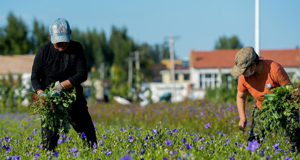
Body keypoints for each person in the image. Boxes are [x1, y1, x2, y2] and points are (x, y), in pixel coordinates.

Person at [31, 18, 97, 151]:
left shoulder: (77, 48)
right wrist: (42, 94)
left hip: (73, 99)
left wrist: (61, 86)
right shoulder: (44, 51)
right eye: (57, 43)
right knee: (48, 144)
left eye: (64, 42)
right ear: (50, 37)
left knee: (90, 141)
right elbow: (35, 78)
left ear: (70, 34)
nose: (61, 46)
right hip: (51, 103)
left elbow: (82, 74)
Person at [231, 46, 300, 150]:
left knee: (294, 140)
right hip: (262, 109)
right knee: (254, 141)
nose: (243, 74)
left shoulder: (274, 69)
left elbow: (290, 91)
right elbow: (241, 96)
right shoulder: (243, 78)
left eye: (245, 70)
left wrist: (288, 109)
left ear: (253, 65)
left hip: (283, 108)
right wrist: (242, 117)